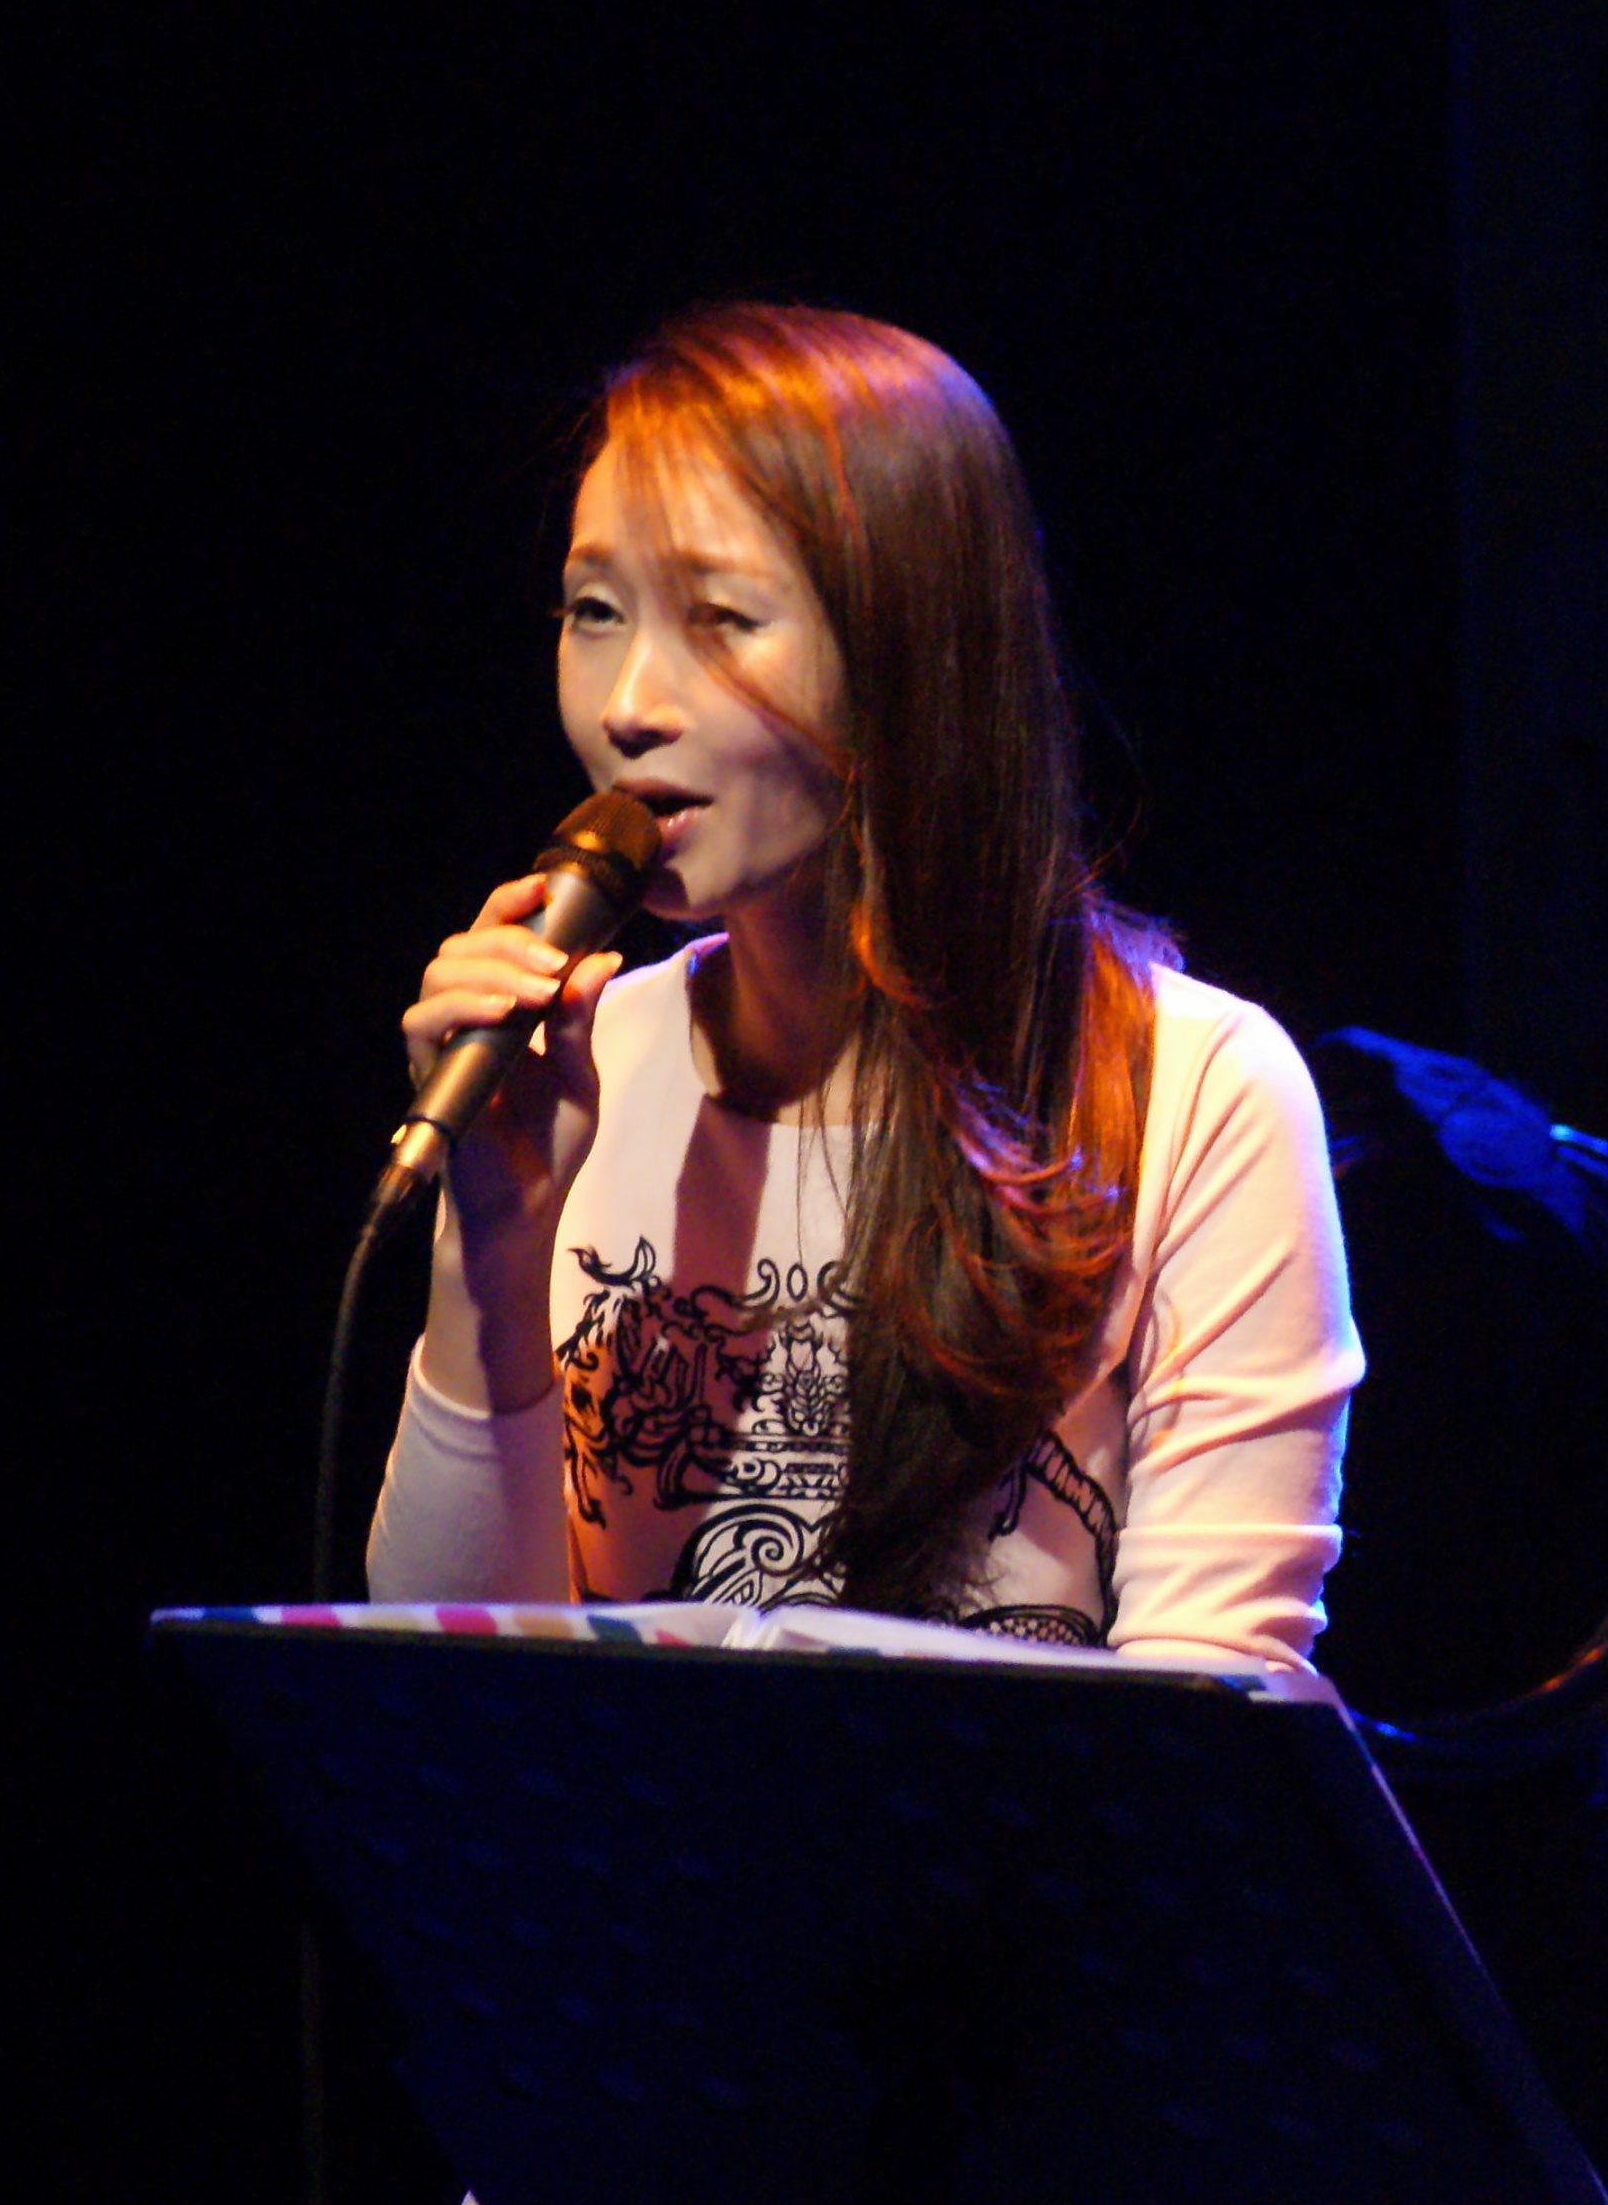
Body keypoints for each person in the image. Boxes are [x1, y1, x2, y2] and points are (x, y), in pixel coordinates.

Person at [366, 303, 1358, 1674]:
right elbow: (447, 1683)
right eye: (595, 612)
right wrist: (494, 1241)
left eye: (721, 617)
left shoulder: (1191, 1089)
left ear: (911, 653)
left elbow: (1207, 1714)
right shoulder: (574, 1069)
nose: (629, 700)